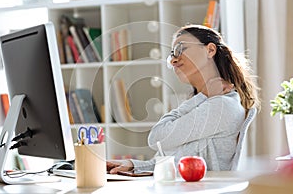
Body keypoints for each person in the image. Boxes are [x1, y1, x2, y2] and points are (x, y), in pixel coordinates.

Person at [107, 24, 260, 173]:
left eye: (181, 49)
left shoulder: (221, 106)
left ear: (210, 50)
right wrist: (133, 165)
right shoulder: (207, 103)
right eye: (172, 54)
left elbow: (156, 137)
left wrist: (204, 95)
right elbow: (176, 161)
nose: (173, 60)